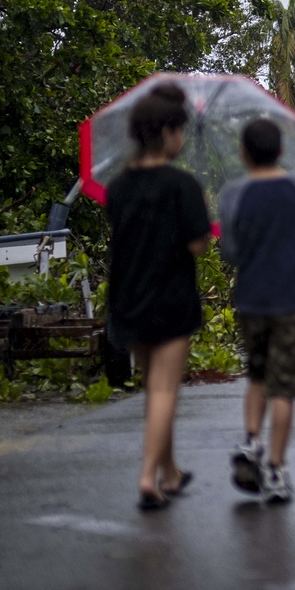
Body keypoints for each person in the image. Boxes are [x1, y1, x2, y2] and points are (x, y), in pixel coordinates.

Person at [105, 82, 211, 510]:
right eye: (180, 131)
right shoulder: (182, 185)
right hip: (171, 298)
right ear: (167, 131)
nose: (182, 140)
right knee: (165, 389)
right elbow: (198, 244)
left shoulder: (118, 186)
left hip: (128, 298)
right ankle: (149, 478)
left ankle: (170, 470)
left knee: (154, 390)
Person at [218, 118, 295, 503]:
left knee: (258, 374)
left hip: (251, 298)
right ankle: (278, 469)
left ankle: (251, 441)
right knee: (285, 389)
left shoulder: (233, 194)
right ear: (281, 150)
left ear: (243, 153)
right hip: (292, 299)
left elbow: (229, 252)